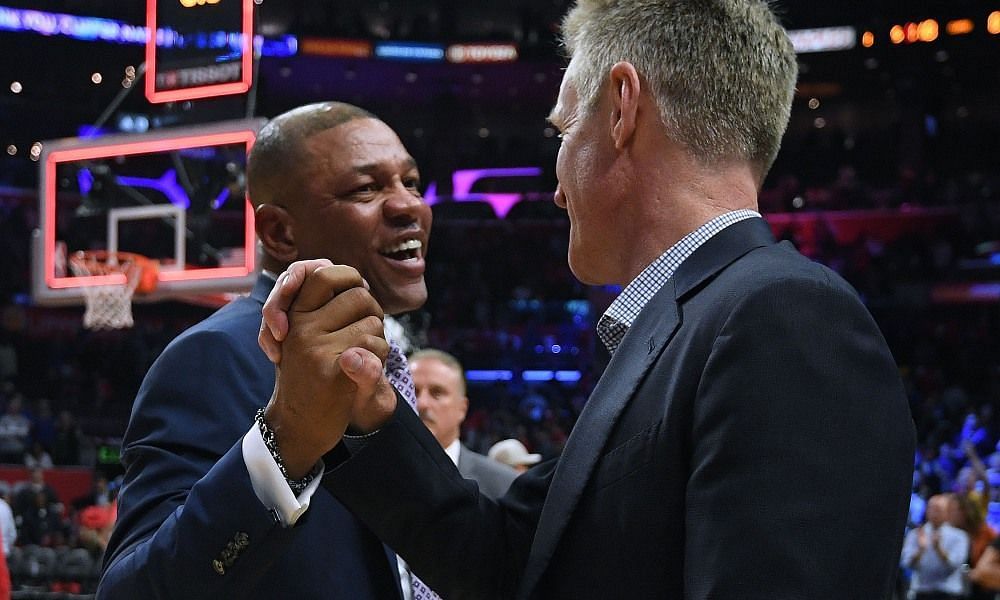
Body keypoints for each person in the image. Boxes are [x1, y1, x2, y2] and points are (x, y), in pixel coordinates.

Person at [260, 0, 915, 597]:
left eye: (562, 131)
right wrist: (365, 408)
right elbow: (506, 562)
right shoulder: (680, 331)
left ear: (623, 108)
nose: (555, 187)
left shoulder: (783, 314)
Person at [98, 102, 432, 599]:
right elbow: (131, 592)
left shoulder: (387, 354)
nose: (408, 205)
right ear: (279, 232)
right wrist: (282, 449)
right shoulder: (214, 357)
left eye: (412, 183)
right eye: (366, 188)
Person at [409, 349, 518, 500]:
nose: (422, 403)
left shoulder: (504, 485)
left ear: (462, 408)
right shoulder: (371, 479)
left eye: (437, 393)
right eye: (412, 392)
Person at [901, 494, 970, 600]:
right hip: (922, 591)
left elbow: (955, 565)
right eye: (931, 508)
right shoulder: (916, 534)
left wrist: (939, 549)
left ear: (947, 512)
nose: (934, 512)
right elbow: (906, 563)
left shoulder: (960, 536)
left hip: (948, 593)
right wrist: (920, 550)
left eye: (938, 509)